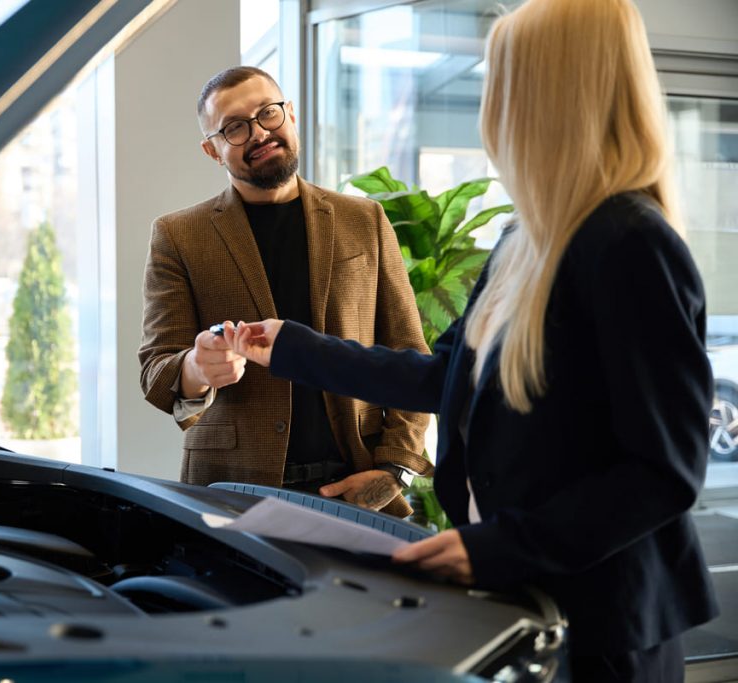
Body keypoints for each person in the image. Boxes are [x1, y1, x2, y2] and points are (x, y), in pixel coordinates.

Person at [224, 0, 718, 679]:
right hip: (532, 597)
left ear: (548, 96)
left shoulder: (631, 244)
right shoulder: (526, 238)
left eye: (502, 80)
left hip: (605, 622)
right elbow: (445, 375)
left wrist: (501, 546)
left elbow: (664, 471)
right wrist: (295, 348)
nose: (489, 101)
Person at [139, 66, 431, 516]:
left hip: (359, 487)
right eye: (235, 127)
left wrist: (396, 469)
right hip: (229, 492)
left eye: (268, 113)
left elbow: (410, 351)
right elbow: (157, 370)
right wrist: (197, 367)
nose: (259, 133)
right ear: (212, 150)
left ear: (289, 115)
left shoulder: (364, 220)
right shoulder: (179, 235)